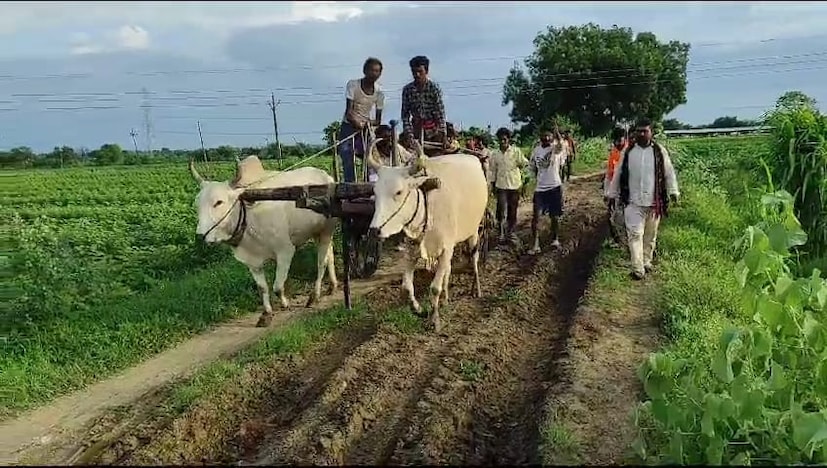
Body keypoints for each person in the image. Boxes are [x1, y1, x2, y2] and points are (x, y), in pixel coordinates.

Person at [607, 118, 680, 280]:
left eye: (644, 131)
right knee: (634, 234)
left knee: (650, 235)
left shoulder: (659, 151)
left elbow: (669, 172)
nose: (641, 134)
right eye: (638, 131)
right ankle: (637, 267)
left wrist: (673, 191)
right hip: (633, 202)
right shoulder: (628, 152)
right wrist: (611, 194)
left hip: (655, 202)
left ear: (651, 133)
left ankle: (646, 261)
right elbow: (618, 173)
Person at [338, 57, 385, 182]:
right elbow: (349, 112)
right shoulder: (353, 85)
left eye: (377, 71)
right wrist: (357, 122)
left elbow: (378, 120)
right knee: (346, 154)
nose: (374, 74)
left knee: (371, 157)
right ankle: (350, 185)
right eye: (371, 70)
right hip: (349, 126)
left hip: (366, 128)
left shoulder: (379, 92)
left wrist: (367, 124)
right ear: (364, 71)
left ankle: (371, 183)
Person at [528, 130, 568, 254]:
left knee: (554, 216)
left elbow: (561, 146)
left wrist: (558, 134)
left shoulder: (555, 149)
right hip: (540, 189)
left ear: (552, 137)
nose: (546, 137)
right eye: (544, 135)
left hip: (555, 187)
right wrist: (536, 179)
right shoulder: (536, 150)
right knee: (536, 217)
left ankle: (555, 240)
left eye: (549, 135)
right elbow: (532, 167)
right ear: (540, 137)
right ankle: (535, 245)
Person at [400, 55, 448, 155]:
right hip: (416, 130)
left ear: (426, 71)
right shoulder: (407, 90)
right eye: (414, 72)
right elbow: (405, 115)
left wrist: (442, 133)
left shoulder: (434, 88)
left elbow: (440, 112)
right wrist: (409, 134)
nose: (417, 75)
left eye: (420, 72)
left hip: (433, 130)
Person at [489, 127, 528, 244]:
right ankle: (500, 233)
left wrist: (523, 173)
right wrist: (492, 185)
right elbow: (492, 171)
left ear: (508, 140)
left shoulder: (516, 152)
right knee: (501, 210)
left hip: (515, 185)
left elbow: (524, 163)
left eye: (504, 139)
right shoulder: (494, 154)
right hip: (501, 186)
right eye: (500, 140)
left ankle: (511, 232)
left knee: (512, 211)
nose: (502, 142)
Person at [604, 127, 627, 245]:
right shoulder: (613, 152)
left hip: (628, 190)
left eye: (620, 140)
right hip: (615, 188)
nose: (617, 143)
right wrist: (607, 192)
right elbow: (609, 174)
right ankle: (617, 240)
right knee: (611, 215)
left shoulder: (630, 151)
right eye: (615, 141)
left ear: (625, 139)